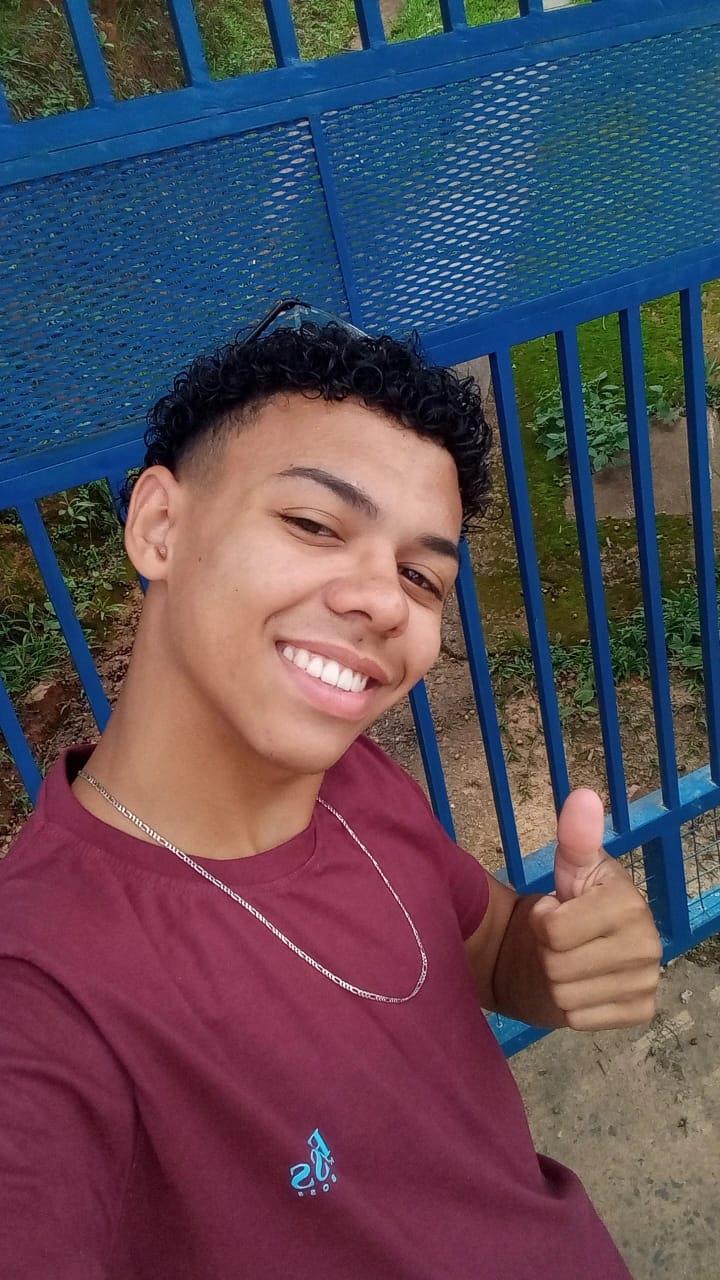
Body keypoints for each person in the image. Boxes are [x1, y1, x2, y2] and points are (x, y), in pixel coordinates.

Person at [0, 301, 661, 1279]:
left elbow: (487, 949)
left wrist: (560, 953)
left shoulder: (357, 780)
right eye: (313, 523)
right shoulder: (39, 988)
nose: (385, 600)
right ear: (160, 527)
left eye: (422, 578)